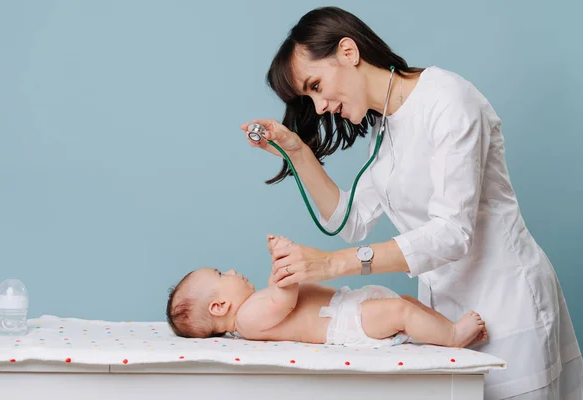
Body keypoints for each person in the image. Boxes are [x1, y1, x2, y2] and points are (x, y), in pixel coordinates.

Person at [239, 6, 582, 400]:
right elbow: (349, 220)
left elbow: (453, 233)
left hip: (508, 306)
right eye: (308, 96)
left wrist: (332, 263)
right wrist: (297, 152)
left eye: (316, 85)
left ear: (348, 52)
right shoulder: (385, 126)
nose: (318, 107)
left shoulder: (449, 100)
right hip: (441, 317)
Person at [166, 235, 488, 349]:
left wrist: (280, 267)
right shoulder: (248, 320)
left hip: (349, 304)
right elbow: (284, 298)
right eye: (222, 274)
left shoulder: (254, 306)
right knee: (401, 313)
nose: (232, 271)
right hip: (346, 322)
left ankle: (444, 328)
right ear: (220, 306)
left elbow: (278, 294)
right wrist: (283, 258)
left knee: (406, 302)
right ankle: (452, 336)